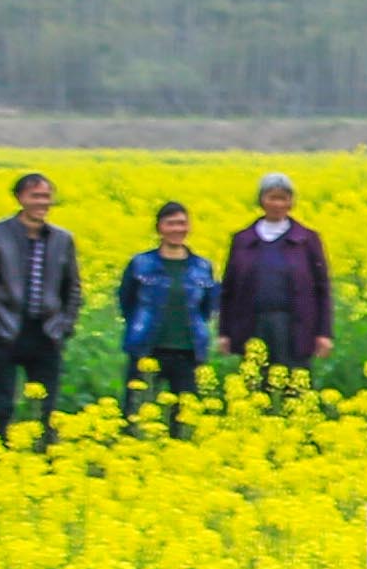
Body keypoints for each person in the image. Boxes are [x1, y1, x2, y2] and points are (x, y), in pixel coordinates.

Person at [0, 171, 80, 437]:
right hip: (5, 331)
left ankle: (42, 459)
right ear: (20, 198)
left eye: (47, 196)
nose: (42, 202)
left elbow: (73, 287)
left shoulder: (62, 239)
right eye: (36, 196)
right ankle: (0, 454)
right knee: (1, 405)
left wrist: (65, 325)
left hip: (47, 332)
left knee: (45, 407)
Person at [219, 176, 334, 377]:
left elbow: (322, 289)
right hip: (252, 324)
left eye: (283, 198)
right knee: (255, 383)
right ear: (261, 200)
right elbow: (229, 290)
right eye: (272, 198)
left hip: (294, 327)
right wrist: (225, 332)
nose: (278, 204)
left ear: (291, 202)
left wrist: (324, 333)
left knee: (295, 385)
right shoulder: (243, 239)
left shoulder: (307, 239)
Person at [115, 202, 217, 415]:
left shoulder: (202, 266)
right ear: (159, 228)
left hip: (188, 351)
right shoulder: (141, 263)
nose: (176, 229)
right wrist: (139, 324)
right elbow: (127, 300)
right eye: (170, 223)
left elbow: (207, 307)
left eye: (181, 223)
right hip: (146, 347)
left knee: (185, 415)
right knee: (136, 411)